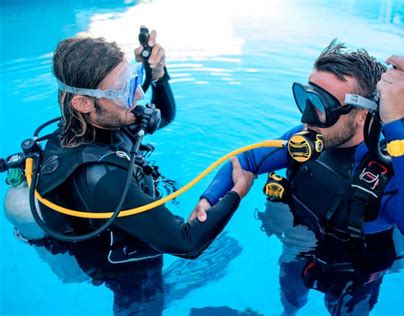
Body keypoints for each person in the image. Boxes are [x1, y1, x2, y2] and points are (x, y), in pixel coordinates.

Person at [191, 41, 404, 315]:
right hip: (300, 249)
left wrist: (402, 122)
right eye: (306, 98)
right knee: (290, 297)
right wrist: (208, 199)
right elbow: (247, 159)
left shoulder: (390, 175)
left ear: (361, 115)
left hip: (357, 276)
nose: (307, 117)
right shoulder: (303, 138)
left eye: (322, 105)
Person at [16, 31, 254, 315]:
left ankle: (170, 292)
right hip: (129, 273)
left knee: (223, 251)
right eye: (122, 89)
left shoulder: (100, 122)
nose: (139, 95)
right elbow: (186, 243)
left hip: (136, 238)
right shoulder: (101, 178)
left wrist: (159, 75)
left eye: (133, 80)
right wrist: (237, 191)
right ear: (83, 102)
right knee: (148, 302)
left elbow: (162, 116)